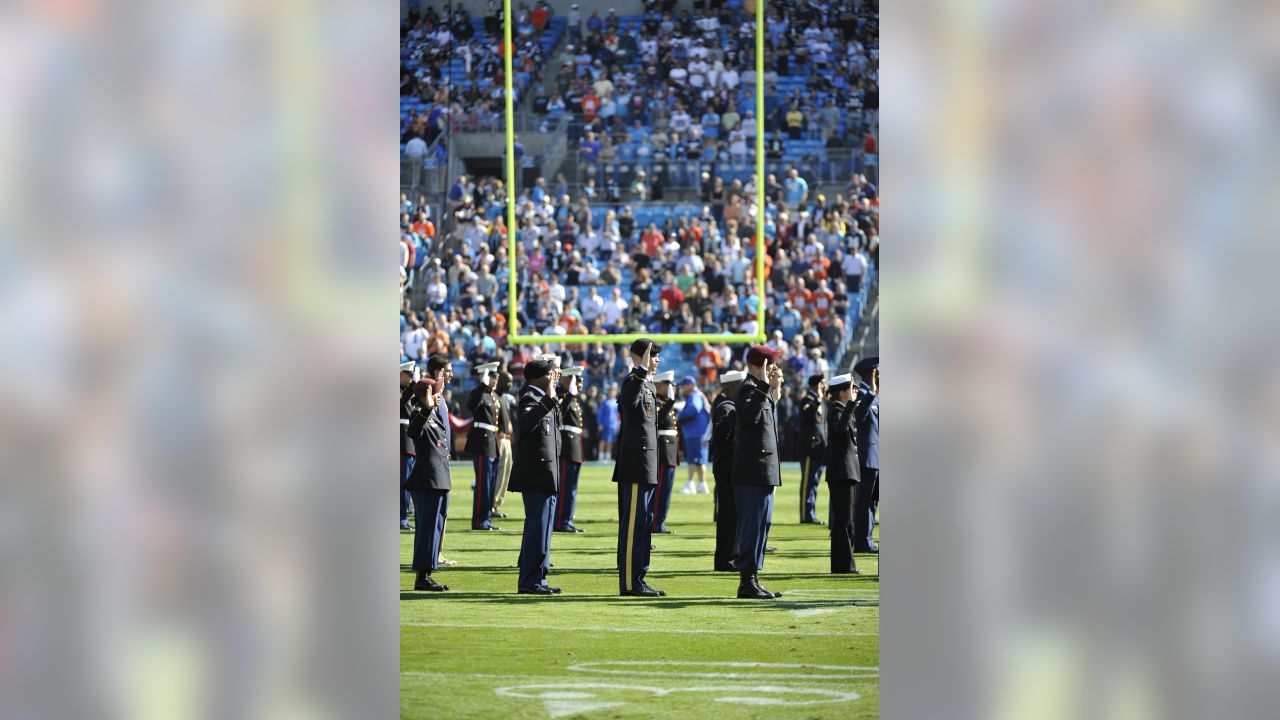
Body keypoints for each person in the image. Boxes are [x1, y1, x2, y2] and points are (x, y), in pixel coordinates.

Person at [613, 338, 666, 597]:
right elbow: (629, 400)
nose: (656, 359)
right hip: (636, 464)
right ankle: (630, 583)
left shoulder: (647, 384)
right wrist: (640, 369)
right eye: (652, 354)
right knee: (634, 526)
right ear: (640, 356)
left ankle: (639, 577)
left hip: (646, 464)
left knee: (644, 524)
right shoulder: (633, 381)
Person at [732, 345, 785, 599]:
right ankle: (746, 581)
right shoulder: (747, 389)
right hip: (751, 471)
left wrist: (773, 389)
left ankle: (754, 577)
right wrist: (765, 385)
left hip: (763, 470)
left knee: (762, 525)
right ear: (760, 365)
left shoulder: (759, 390)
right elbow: (751, 416)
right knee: (752, 527)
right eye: (771, 363)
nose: (775, 367)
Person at [509, 358, 564, 594]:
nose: (554, 376)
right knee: (536, 529)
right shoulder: (529, 398)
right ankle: (529, 581)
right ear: (539, 377)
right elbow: (526, 423)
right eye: (550, 373)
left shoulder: (542, 399)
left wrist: (552, 397)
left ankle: (539, 578)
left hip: (547, 473)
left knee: (544, 530)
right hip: (536, 474)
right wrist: (550, 397)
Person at [405, 377, 451, 591]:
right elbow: (413, 432)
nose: (439, 395)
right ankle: (422, 575)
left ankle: (428, 572)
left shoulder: (434, 414)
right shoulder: (419, 414)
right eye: (435, 391)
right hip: (427, 479)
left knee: (436, 528)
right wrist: (425, 409)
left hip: (439, 477)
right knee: (427, 529)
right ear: (426, 395)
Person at [824, 374, 861, 574]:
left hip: (848, 471)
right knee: (843, 520)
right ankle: (843, 565)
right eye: (851, 389)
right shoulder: (836, 410)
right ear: (842, 392)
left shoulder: (844, 409)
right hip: (841, 471)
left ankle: (845, 563)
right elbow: (840, 428)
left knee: (848, 520)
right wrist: (851, 406)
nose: (853, 392)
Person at [425, 353, 457, 567]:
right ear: (437, 373)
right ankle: (431, 555)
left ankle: (438, 552)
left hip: (443, 459)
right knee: (433, 512)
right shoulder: (427, 397)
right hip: (432, 462)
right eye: (447, 371)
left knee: (442, 510)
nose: (451, 374)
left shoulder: (442, 398)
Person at [711, 370, 745, 572]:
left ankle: (731, 556)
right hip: (727, 469)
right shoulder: (725, 407)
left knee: (733, 516)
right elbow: (722, 433)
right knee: (728, 517)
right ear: (732, 388)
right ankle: (726, 559)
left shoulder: (729, 405)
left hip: (731, 468)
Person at [465, 361, 502, 530]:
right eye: (493, 376)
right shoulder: (480, 393)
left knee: (491, 483)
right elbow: (471, 406)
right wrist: (482, 385)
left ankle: (485, 518)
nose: (496, 379)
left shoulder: (493, 396)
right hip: (481, 442)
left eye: (496, 376)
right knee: (483, 483)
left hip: (491, 441)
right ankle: (479, 520)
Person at [554, 366, 587, 533]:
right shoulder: (562, 397)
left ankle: (567, 519)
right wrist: (568, 397)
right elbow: (558, 415)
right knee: (565, 486)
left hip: (575, 447)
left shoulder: (574, 398)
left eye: (580, 380)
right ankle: (560, 521)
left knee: (572, 487)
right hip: (567, 446)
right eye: (576, 379)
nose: (579, 383)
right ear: (566, 380)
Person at [853, 356, 880, 553]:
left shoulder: (876, 395)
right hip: (866, 457)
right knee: (864, 502)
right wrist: (871, 391)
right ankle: (862, 541)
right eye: (878, 371)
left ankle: (868, 539)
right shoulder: (860, 393)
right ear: (871, 373)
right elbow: (858, 417)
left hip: (877, 457)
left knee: (873, 502)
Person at [650, 371, 679, 534]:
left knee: (666, 491)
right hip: (663, 451)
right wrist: (670, 403)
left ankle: (660, 521)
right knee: (660, 490)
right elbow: (658, 420)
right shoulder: (656, 401)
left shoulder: (666, 402)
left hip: (670, 451)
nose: (671, 388)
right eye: (668, 385)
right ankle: (655, 523)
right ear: (659, 385)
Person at [799, 374, 828, 524]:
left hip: (819, 449)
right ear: (817, 385)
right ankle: (806, 515)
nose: (824, 386)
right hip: (810, 449)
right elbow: (806, 415)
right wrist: (817, 400)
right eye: (822, 383)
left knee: (814, 483)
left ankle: (811, 513)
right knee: (808, 484)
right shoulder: (808, 400)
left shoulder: (821, 401)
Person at [676, 376, 712, 495]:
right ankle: (702, 484)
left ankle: (691, 484)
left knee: (693, 460)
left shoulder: (694, 395)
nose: (682, 388)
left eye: (684, 385)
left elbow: (694, 409)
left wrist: (680, 415)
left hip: (695, 432)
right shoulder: (699, 395)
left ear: (690, 385)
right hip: (700, 432)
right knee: (700, 460)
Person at [491, 371, 516, 519]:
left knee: (506, 475)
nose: (510, 384)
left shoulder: (505, 398)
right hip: (499, 440)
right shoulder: (493, 396)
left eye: (511, 382)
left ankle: (497, 505)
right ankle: (491, 505)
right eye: (507, 381)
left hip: (507, 439)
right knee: (499, 474)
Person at [401, 361, 418, 533]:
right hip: (401, 441)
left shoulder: (409, 391)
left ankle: (405, 512)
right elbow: (402, 400)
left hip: (409, 441)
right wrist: (414, 386)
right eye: (409, 375)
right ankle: (400, 516)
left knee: (408, 479)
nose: (411, 379)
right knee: (402, 480)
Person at [597, 383, 620, 460]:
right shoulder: (604, 402)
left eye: (614, 391)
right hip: (605, 424)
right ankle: (601, 456)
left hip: (614, 425)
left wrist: (619, 424)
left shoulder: (617, 402)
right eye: (611, 391)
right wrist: (600, 423)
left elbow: (618, 415)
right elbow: (600, 413)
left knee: (610, 441)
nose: (612, 392)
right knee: (603, 440)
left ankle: (607, 456)